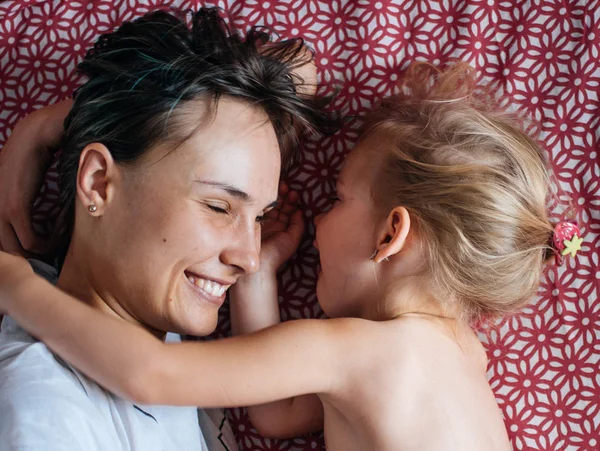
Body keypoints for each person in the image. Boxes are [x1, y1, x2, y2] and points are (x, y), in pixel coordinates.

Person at [0, 63, 583, 450]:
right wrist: (259, 278)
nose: (318, 218)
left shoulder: (354, 351)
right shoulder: (463, 358)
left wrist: (18, 286)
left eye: (338, 198)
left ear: (390, 235)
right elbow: (277, 415)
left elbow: (152, 375)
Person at [0, 7, 333, 451]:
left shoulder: (136, 300)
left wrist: (45, 126)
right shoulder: (48, 411)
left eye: (260, 217)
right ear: (97, 182)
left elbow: (298, 70)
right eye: (218, 206)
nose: (249, 258)